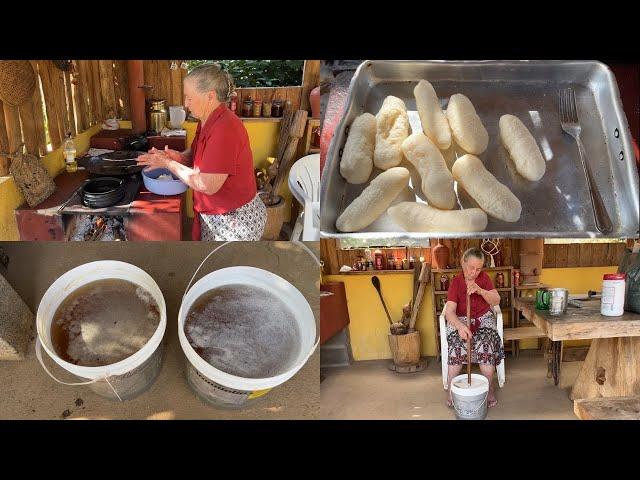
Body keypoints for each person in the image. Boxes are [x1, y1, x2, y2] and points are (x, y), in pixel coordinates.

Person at [137, 63, 266, 241]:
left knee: (225, 268)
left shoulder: (225, 128)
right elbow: (196, 154)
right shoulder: (206, 119)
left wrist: (168, 164)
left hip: (235, 220)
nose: (185, 103)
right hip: (218, 216)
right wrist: (179, 157)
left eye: (189, 98)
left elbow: (207, 185)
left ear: (210, 96)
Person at [444, 247, 504, 408]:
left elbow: (496, 300)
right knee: (457, 345)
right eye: (471, 267)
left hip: (483, 319)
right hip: (461, 320)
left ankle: (489, 388)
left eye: (478, 268)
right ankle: (451, 389)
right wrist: (459, 326)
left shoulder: (484, 279)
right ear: (463, 263)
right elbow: (449, 312)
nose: (474, 272)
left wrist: (480, 290)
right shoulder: (456, 282)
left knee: (486, 345)